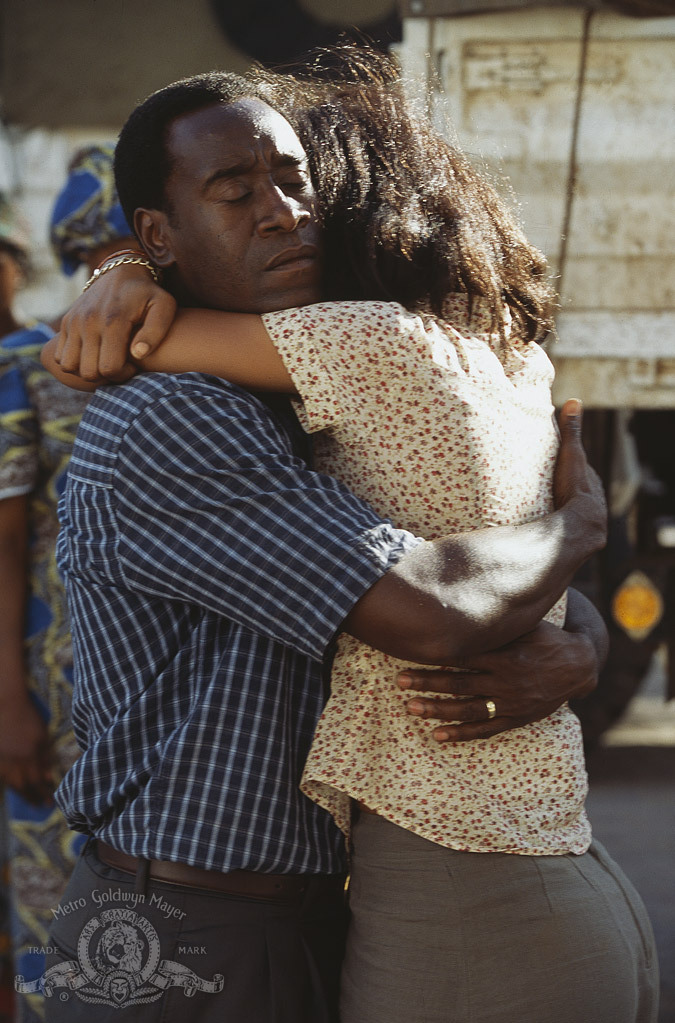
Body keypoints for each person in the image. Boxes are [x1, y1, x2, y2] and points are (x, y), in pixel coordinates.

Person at [51, 58, 658, 1023]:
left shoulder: (298, 398)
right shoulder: (184, 414)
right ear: (159, 233)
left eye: (299, 183)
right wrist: (576, 528)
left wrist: (576, 640)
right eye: (236, 191)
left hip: (298, 907)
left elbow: (456, 546)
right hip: (187, 922)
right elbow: (432, 602)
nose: (285, 212)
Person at [0, 147, 135, 1023]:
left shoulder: (203, 349)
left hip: (159, 689)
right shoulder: (30, 361)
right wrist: (9, 698)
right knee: (54, 918)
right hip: (58, 686)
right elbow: (4, 540)